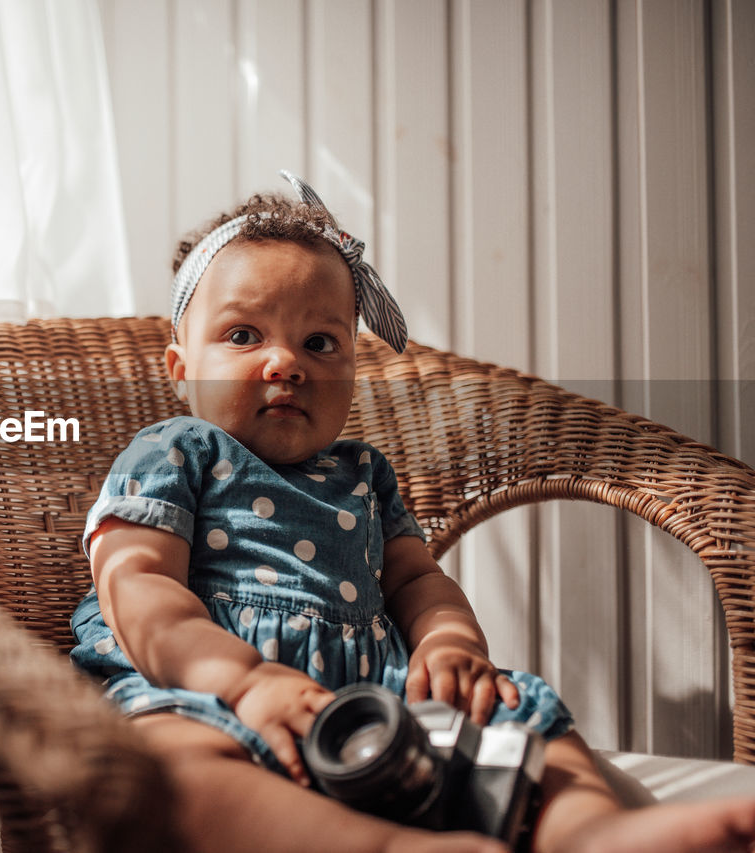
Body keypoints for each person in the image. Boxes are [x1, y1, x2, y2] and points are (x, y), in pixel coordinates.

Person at [70, 171, 755, 852]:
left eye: (320, 342)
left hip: (376, 698)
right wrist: (242, 682)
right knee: (171, 770)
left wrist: (450, 644)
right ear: (180, 366)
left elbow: (418, 582)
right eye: (244, 336)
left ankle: (589, 831)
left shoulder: (364, 475)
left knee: (522, 712)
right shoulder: (176, 451)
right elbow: (137, 585)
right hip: (207, 694)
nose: (287, 362)